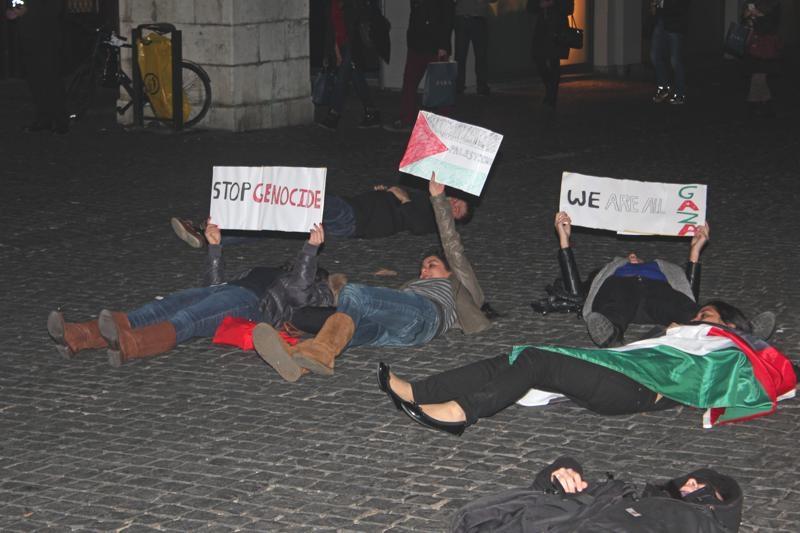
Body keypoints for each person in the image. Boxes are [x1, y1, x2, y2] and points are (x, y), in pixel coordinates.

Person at [378, 302, 797, 436]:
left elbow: (771, 377)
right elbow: (632, 351)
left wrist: (747, 339)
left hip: (634, 389)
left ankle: (460, 412)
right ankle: (421, 392)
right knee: (518, 357)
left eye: (709, 314)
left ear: (730, 325)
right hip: (621, 376)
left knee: (538, 360)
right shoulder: (678, 334)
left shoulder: (730, 350)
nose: (698, 317)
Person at [252, 173, 492, 382]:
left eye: (432, 265)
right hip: (404, 334)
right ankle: (300, 361)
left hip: (427, 314)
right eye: (422, 267)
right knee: (348, 329)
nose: (424, 271)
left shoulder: (460, 282)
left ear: (451, 271)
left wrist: (438, 199)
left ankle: (318, 352)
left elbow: (451, 244)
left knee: (354, 292)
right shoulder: (414, 288)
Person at [46, 222, 334, 367]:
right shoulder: (268, 270)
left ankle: (128, 345)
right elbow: (213, 284)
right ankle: (79, 335)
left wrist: (310, 251)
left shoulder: (314, 288)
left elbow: (299, 290)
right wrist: (215, 247)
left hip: (249, 305)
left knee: (189, 318)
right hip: (226, 291)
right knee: (158, 308)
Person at [548, 211, 776, 347]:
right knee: (615, 303)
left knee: (688, 310)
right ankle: (611, 335)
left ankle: (742, 332)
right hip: (620, 292)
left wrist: (695, 252)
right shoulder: (614, 270)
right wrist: (564, 240)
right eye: (628, 256)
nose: (633, 255)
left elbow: (687, 295)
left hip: (657, 294)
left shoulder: (663, 270)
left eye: (635, 256)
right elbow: (575, 292)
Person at [451, 456, 743, 532]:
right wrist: (562, 471)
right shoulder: (625, 495)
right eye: (689, 481)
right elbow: (540, 491)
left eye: (700, 488)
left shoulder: (693, 520)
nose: (689, 486)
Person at [169, 185, 471, 248]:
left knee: (300, 197)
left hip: (354, 218)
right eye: (458, 201)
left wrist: (400, 197)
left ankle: (223, 216)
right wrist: (384, 190)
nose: (454, 205)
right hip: (355, 206)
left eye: (458, 211)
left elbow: (414, 224)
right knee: (284, 224)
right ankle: (215, 236)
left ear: (454, 220)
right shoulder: (426, 196)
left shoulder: (432, 220)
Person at [384, 0, 454, 132]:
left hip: (436, 44)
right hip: (417, 44)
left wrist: (443, 46)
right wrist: (411, 39)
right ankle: (407, 118)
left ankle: (444, 124)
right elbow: (416, 14)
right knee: (409, 82)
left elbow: (448, 17)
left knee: (441, 86)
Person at [318, 0, 384, 130]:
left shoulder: (353, 3)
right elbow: (332, 28)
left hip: (353, 46)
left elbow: (355, 26)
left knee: (342, 78)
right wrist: (331, 53)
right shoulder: (332, 4)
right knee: (356, 77)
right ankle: (371, 111)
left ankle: (334, 113)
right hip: (341, 45)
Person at [6, 0, 69, 133]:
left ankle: (60, 120)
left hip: (46, 39)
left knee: (51, 79)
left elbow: (54, 9)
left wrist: (28, 11)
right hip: (27, 38)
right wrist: (11, 11)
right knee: (35, 81)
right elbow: (15, 4)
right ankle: (43, 118)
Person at [527, 0, 573, 109]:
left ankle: (552, 96)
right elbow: (529, 7)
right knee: (539, 59)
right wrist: (540, 5)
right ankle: (550, 89)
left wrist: (553, 3)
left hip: (558, 29)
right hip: (542, 30)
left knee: (554, 61)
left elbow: (569, 8)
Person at [742, 0, 782, 118]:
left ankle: (754, 106)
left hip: (765, 47)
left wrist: (757, 15)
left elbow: (770, 26)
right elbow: (745, 21)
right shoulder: (753, 3)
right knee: (759, 77)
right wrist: (748, 17)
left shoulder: (773, 4)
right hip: (754, 46)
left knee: (758, 77)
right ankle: (766, 107)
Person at [650, 0, 690, 105]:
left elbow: (680, 5)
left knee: (675, 60)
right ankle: (663, 88)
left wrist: (661, 3)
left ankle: (680, 94)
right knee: (655, 56)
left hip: (675, 24)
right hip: (661, 21)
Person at [453, 0, 497, 96]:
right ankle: (459, 86)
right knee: (460, 55)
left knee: (481, 54)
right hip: (462, 17)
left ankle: (481, 85)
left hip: (478, 18)